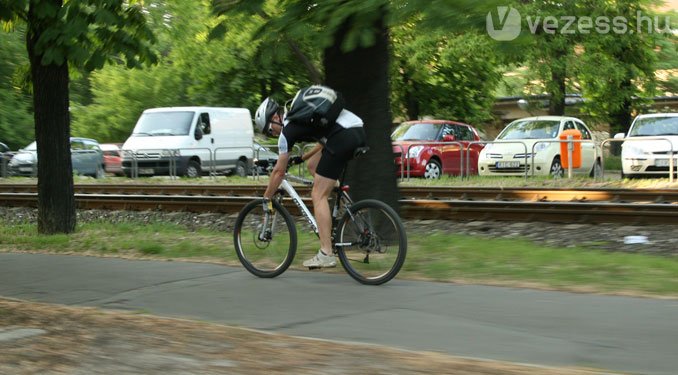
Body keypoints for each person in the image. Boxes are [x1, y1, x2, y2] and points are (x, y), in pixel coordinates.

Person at [254, 94, 366, 268]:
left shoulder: (288, 129)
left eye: (269, 130)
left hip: (342, 136)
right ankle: (341, 198)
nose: (273, 135)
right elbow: (322, 141)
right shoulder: (304, 117)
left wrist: (267, 197)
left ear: (275, 118)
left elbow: (278, 172)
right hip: (356, 130)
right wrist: (301, 158)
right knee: (313, 165)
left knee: (318, 195)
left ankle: (326, 253)